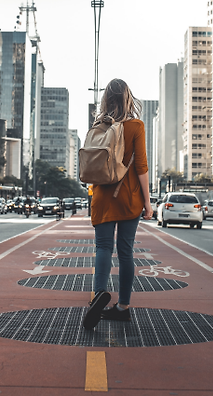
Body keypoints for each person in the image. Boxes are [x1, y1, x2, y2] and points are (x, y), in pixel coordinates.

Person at [82, 78, 153, 330]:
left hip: (102, 197)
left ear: (106, 99)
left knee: (102, 248)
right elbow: (142, 167)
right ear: (128, 98)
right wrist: (148, 202)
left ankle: (99, 294)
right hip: (129, 198)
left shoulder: (98, 126)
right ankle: (122, 307)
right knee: (126, 252)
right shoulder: (136, 126)